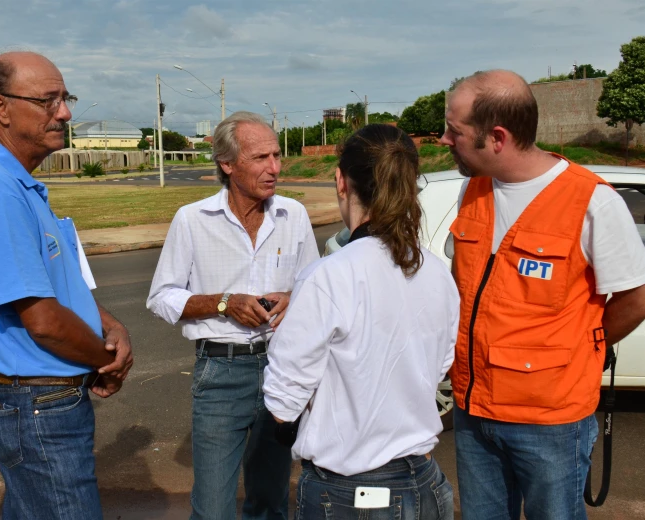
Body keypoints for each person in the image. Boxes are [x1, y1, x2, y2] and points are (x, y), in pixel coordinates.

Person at [0, 52, 134, 520]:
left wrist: (108, 323)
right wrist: (106, 361)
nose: (64, 112)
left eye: (66, 98)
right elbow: (42, 321)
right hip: (38, 403)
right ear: (1, 107)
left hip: (36, 401)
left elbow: (54, 285)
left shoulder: (12, 184)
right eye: (48, 100)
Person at [441, 70, 645, 520]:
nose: (443, 139)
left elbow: (635, 298)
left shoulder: (592, 202)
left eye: (454, 131)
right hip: (474, 412)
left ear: (497, 137)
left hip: (550, 421)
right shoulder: (472, 189)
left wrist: (585, 346)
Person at [263, 124, 459, 519]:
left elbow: (284, 400)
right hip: (425, 484)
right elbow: (438, 366)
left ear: (341, 181)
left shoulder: (329, 275)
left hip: (350, 493)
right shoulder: (438, 272)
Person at [147, 111, 320, 519]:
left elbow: (317, 287)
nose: (274, 168)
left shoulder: (292, 215)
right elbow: (161, 297)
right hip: (220, 373)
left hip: (281, 370)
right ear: (228, 163)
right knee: (212, 509)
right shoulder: (193, 220)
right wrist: (223, 302)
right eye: (261, 157)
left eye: (277, 156)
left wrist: (293, 297)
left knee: (271, 502)